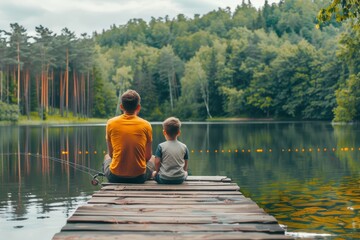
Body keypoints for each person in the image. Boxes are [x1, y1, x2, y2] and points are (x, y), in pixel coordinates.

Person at [103, 89, 155, 183]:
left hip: (115, 177)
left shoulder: (110, 123)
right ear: (138, 107)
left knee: (107, 157)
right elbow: (147, 156)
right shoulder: (146, 125)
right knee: (153, 158)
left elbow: (111, 155)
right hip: (139, 177)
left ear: (121, 107)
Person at [152, 117, 189, 184]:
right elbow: (186, 163)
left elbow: (157, 162)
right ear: (179, 132)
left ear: (164, 132)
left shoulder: (161, 146)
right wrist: (184, 172)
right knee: (186, 173)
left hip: (163, 179)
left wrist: (157, 172)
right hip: (179, 179)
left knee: (153, 173)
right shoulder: (184, 147)